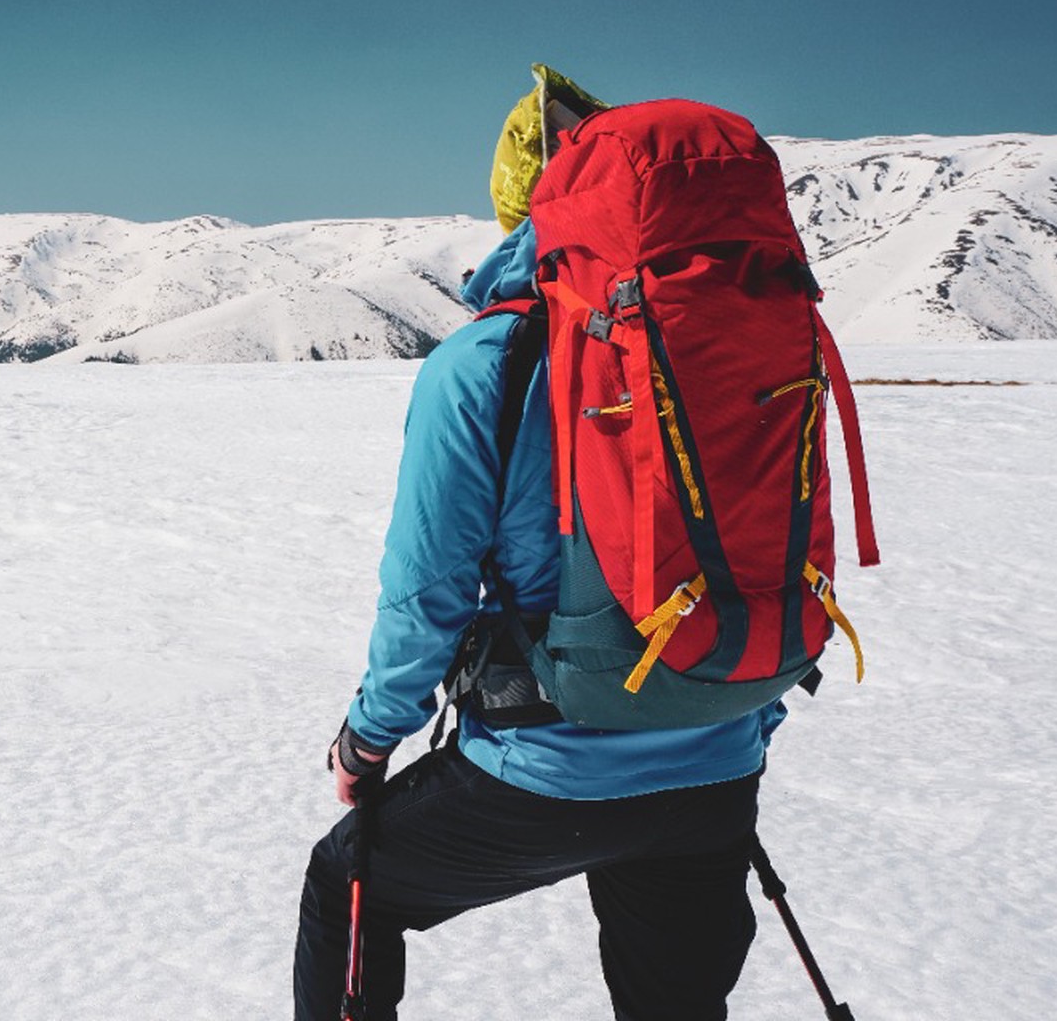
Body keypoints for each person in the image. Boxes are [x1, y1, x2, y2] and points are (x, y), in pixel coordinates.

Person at [292, 67, 784, 1021]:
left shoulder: (488, 360)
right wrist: (729, 721)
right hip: (719, 762)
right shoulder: (731, 346)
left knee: (348, 884)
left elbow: (427, 591)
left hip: (551, 769)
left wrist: (369, 738)